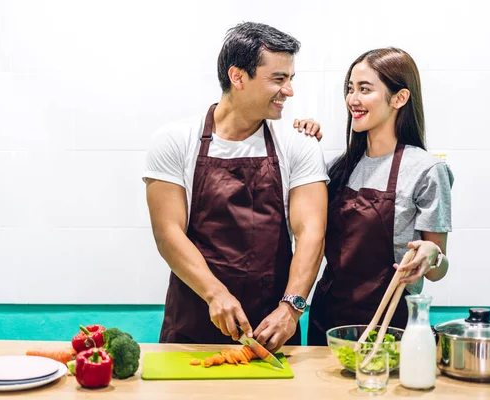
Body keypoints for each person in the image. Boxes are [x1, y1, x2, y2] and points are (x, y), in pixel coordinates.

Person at [143, 22, 328, 352]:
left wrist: (292, 308)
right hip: (192, 324)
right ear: (238, 77)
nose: (289, 90)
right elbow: (168, 233)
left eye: (290, 79)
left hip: (273, 329)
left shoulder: (299, 144)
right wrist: (215, 293)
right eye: (278, 79)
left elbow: (311, 232)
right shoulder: (174, 140)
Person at [302, 47, 454, 345]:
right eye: (350, 89)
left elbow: (437, 270)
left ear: (399, 98)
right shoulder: (339, 168)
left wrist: (432, 255)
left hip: (390, 326)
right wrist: (301, 145)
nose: (353, 99)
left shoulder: (427, 171)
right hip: (327, 322)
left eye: (364, 89)